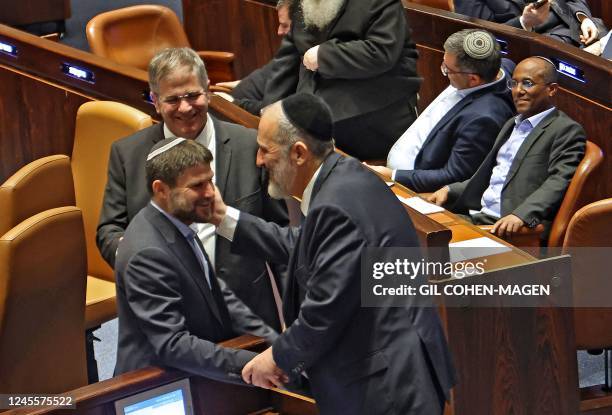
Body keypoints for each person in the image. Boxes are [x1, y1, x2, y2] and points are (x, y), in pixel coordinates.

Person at [211, 93, 456, 414]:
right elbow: (302, 247)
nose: (258, 160)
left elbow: (325, 310)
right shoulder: (346, 177)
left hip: (386, 386)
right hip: (393, 367)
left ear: (298, 153)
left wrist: (276, 357)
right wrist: (222, 217)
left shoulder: (336, 204)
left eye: (266, 149)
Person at [97, 47, 288, 330]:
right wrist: (134, 256)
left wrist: (297, 321)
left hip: (248, 313)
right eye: (173, 99)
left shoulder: (250, 146)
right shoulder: (128, 155)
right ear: (155, 101)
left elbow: (278, 240)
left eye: (193, 95)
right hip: (169, 310)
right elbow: (109, 231)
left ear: (208, 90)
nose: (185, 108)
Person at [114, 138, 277, 380]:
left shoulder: (178, 224)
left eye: (210, 180)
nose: (211, 193)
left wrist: (277, 345)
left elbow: (218, 296)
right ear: (161, 190)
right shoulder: (147, 253)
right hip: (155, 385)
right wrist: (251, 361)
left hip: (196, 369)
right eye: (197, 185)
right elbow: (173, 345)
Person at [241, 0, 422, 161]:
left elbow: (382, 51)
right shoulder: (302, 4)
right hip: (316, 120)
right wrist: (270, 113)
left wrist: (325, 55)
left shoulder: (381, 3)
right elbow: (286, 63)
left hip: (373, 122)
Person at [428, 57, 586, 239]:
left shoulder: (565, 129)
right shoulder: (512, 124)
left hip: (509, 228)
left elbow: (559, 180)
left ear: (551, 89)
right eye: (514, 83)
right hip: (477, 217)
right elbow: (490, 176)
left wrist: (522, 215)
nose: (518, 91)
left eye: (528, 83)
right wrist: (449, 189)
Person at [367, 29, 515, 193]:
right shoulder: (497, 67)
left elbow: (453, 176)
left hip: (414, 186)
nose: (443, 70)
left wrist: (394, 175)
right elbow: (507, 63)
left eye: (448, 69)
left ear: (473, 79)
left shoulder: (483, 119)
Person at [215, 0, 293, 111]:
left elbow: (270, 112)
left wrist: (233, 103)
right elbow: (269, 73)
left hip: (242, 116)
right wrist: (245, 82)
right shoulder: (291, 50)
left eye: (285, 25)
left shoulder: (304, 62)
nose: (279, 31)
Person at [454, 0, 605, 46]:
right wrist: (524, 23)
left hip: (582, 26)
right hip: (537, 45)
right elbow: (479, 39)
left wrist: (584, 18)